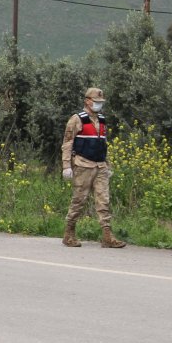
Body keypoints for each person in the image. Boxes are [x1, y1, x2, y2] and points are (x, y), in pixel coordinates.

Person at [61, 87, 126, 248]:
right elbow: (67, 143)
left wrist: (108, 164)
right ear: (87, 101)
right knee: (79, 200)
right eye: (96, 102)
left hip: (100, 166)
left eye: (100, 102)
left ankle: (107, 236)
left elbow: (103, 144)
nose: (98, 105)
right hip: (83, 165)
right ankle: (69, 233)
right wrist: (66, 166)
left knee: (104, 201)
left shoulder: (102, 120)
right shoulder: (77, 119)